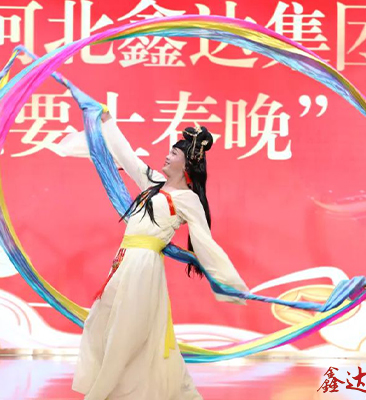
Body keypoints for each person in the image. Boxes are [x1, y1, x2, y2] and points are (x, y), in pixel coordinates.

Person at [71, 111, 249, 400]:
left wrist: (230, 284)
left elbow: (206, 244)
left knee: (125, 334)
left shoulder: (188, 200)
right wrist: (107, 122)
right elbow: (128, 158)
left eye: (174, 153)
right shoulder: (152, 183)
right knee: (99, 323)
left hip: (144, 268)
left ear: (187, 163)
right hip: (122, 262)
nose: (167, 156)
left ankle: (100, 395)